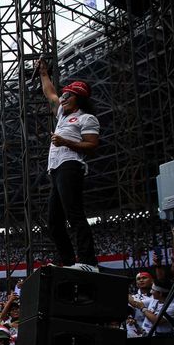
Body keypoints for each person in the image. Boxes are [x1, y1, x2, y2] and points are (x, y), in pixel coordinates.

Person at [37, 59, 100, 271]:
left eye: (68, 95)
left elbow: (91, 146)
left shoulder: (87, 118)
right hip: (56, 170)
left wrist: (66, 142)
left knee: (74, 214)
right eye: (63, 95)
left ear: (78, 98)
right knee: (54, 224)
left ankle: (88, 263)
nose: (62, 98)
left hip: (71, 166)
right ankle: (70, 263)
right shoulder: (63, 114)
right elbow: (50, 94)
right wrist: (44, 73)